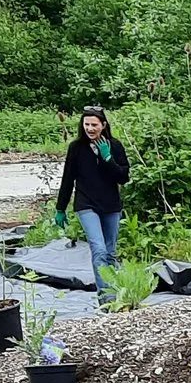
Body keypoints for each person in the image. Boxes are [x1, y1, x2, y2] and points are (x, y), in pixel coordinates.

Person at [54, 107, 131, 277]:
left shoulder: (115, 146)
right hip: (86, 203)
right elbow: (68, 178)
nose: (90, 128)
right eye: (86, 124)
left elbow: (123, 177)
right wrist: (61, 208)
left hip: (111, 204)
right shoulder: (76, 148)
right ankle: (105, 296)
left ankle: (114, 293)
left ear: (103, 125)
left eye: (94, 125)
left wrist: (108, 158)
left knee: (110, 252)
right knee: (99, 249)